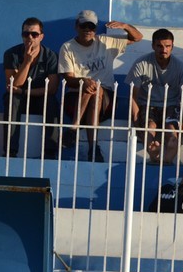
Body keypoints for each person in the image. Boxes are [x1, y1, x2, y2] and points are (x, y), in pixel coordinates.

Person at [58, 9, 143, 161]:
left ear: (96, 29)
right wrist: (83, 81)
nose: (87, 30)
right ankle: (93, 148)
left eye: (91, 27)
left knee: (95, 88)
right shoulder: (67, 47)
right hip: (75, 98)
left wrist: (125, 26)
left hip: (106, 101)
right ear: (77, 26)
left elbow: (137, 37)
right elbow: (68, 79)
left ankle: (73, 129)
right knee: (91, 86)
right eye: (84, 26)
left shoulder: (105, 41)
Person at [126, 28, 183, 165]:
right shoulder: (141, 63)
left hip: (171, 105)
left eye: (167, 46)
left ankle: (166, 160)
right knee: (149, 128)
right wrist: (136, 121)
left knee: (172, 132)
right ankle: (154, 155)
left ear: (172, 46)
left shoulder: (181, 68)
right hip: (148, 105)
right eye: (160, 46)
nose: (164, 50)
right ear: (153, 46)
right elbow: (133, 96)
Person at [2, 17, 60, 158]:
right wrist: (27, 62)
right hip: (19, 99)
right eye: (26, 34)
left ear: (41, 36)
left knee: (50, 101)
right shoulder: (11, 54)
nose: (30, 37)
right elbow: (14, 85)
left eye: (34, 34)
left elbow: (52, 89)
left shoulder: (51, 56)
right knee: (12, 99)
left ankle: (50, 152)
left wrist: (24, 91)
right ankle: (10, 151)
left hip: (40, 98)